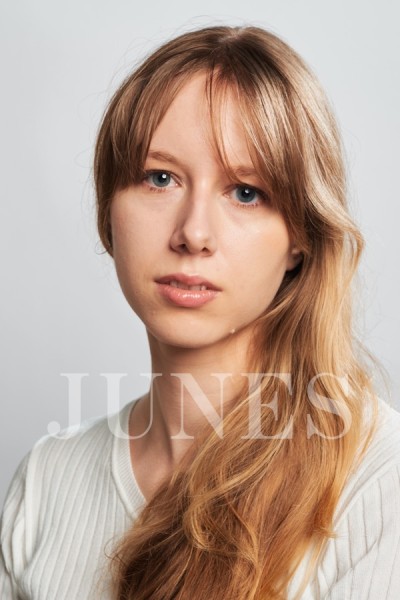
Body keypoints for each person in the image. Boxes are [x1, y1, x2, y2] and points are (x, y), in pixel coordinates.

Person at [1, 24, 400, 600]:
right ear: (109, 210)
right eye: (160, 178)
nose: (193, 233)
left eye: (246, 192)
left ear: (300, 237)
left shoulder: (378, 479)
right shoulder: (46, 481)